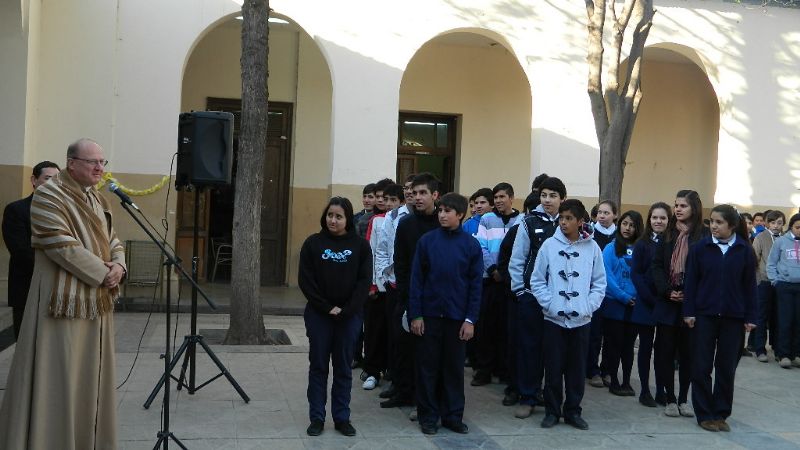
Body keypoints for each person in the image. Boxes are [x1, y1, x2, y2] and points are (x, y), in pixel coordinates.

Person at [0, 138, 126, 449]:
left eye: (103, 162)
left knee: (89, 379)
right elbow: (59, 244)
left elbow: (113, 239)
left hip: (95, 303)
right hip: (62, 303)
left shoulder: (98, 199)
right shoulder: (48, 195)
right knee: (59, 379)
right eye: (92, 162)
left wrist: (119, 266)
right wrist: (104, 273)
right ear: (71, 163)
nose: (99, 168)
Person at [409, 192, 482, 435]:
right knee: (427, 369)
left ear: (460, 215)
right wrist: (416, 315)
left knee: (453, 370)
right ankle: (428, 416)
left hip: (457, 318)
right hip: (429, 316)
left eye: (447, 211)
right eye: (440, 210)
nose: (442, 215)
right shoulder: (427, 242)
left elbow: (475, 286)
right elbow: (416, 281)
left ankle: (452, 416)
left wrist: (470, 319)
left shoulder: (471, 245)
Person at [299, 196, 371, 437]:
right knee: (318, 367)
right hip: (319, 316)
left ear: (348, 219)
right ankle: (317, 417)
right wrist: (326, 307)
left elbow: (364, 282)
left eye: (339, 216)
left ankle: (342, 417)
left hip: (349, 317)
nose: (333, 220)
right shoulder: (313, 244)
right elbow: (306, 281)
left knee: (343, 368)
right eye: (330, 215)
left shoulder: (361, 246)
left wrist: (347, 310)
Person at [531, 199, 606, 430]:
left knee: (576, 370)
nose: (563, 222)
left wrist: (587, 306)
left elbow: (599, 282)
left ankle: (573, 411)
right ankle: (552, 411)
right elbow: (537, 279)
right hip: (554, 319)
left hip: (581, 320)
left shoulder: (592, 248)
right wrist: (550, 304)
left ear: (580, 221)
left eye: (569, 218)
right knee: (553, 368)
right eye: (561, 218)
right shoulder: (549, 246)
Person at [683, 204, 757, 432]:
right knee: (701, 366)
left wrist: (751, 316)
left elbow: (750, 286)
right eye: (711, 221)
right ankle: (704, 414)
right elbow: (691, 282)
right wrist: (689, 311)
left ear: (732, 225)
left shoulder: (744, 250)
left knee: (726, 368)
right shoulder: (700, 248)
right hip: (704, 316)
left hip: (733, 318)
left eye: (719, 222)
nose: (713, 226)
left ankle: (721, 413)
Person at [508, 176, 567, 418]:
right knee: (529, 348)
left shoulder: (569, 222)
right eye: (544, 195)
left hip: (561, 299)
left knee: (555, 351)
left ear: (562, 198)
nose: (547, 200)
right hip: (531, 297)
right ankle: (528, 396)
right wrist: (520, 290)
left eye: (553, 196)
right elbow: (517, 259)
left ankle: (551, 398)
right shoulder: (529, 222)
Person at [383, 173, 441, 409]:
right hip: (408, 295)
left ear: (434, 195)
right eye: (414, 193)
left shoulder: (442, 222)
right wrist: (405, 296)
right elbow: (401, 262)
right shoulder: (406, 224)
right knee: (402, 346)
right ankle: (402, 391)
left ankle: (424, 396)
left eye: (423, 193)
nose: (417, 197)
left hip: (436, 297)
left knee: (429, 352)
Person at [651, 189, 707, 418]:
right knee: (665, 353)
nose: (678, 209)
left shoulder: (703, 235)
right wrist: (667, 291)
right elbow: (656, 266)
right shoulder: (668, 233)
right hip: (668, 303)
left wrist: (690, 294)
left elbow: (706, 271)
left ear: (694, 207)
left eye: (683, 205)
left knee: (688, 355)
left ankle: (684, 398)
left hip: (691, 305)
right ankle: (670, 398)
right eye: (676, 205)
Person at [2, 160, 60, 339]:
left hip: (57, 290)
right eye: (47, 178)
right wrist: (57, 268)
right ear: (34, 180)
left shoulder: (63, 211)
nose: (53, 184)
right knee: (26, 340)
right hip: (27, 286)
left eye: (57, 179)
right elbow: (20, 251)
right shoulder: (16, 210)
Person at [472, 182, 522, 386]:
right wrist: (493, 269)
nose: (499, 200)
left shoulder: (522, 220)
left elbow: (521, 250)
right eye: (496, 197)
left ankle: (504, 369)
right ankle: (483, 370)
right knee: (486, 327)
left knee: (506, 328)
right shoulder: (487, 219)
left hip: (512, 282)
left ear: (511, 198)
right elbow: (480, 246)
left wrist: (507, 273)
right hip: (490, 279)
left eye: (502, 197)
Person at [362, 183, 404, 390]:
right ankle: (372, 371)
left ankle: (392, 371)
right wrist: (372, 284)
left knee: (394, 333)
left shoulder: (405, 220)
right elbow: (372, 251)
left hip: (397, 287)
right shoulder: (376, 221)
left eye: (392, 200)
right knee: (374, 331)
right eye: (385, 199)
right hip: (379, 287)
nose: (387, 203)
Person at [631, 202, 671, 407]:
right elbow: (636, 274)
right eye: (655, 217)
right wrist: (649, 298)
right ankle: (645, 391)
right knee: (645, 348)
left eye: (663, 218)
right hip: (646, 302)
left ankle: (661, 390)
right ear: (649, 219)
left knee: (663, 350)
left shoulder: (673, 242)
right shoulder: (642, 243)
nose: (658, 221)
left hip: (666, 303)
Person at [601, 211, 644, 398]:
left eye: (632, 225)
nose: (627, 228)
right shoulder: (610, 248)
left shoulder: (641, 249)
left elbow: (644, 274)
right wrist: (623, 296)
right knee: (614, 345)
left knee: (628, 346)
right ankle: (613, 380)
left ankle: (626, 381)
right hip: (614, 304)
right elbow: (607, 275)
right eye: (625, 223)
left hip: (635, 305)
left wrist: (637, 297)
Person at [587, 200, 617, 388]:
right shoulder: (589, 233)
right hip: (593, 290)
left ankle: (608, 370)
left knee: (611, 335)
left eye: (606, 213)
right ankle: (592, 370)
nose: (602, 216)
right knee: (594, 333)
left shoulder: (619, 235)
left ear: (615, 215)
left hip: (613, 293)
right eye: (600, 212)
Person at [766, 213, 800, 369]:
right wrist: (775, 281)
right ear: (791, 226)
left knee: (798, 321)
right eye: (798, 227)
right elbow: (771, 263)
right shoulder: (781, 241)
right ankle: (783, 354)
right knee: (785, 320)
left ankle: (796, 354)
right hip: (784, 286)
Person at [752, 210, 785, 362]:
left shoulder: (785, 239)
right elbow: (754, 260)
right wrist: (758, 280)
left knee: (778, 316)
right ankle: (760, 349)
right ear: (766, 223)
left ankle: (777, 348)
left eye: (779, 223)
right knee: (762, 316)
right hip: (764, 282)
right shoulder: (760, 237)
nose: (776, 226)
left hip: (781, 282)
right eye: (772, 222)